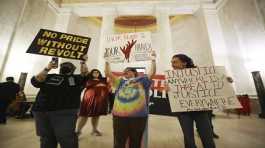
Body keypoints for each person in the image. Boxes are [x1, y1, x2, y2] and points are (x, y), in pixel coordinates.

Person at [31, 58, 88, 148]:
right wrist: (47, 68)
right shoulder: (49, 76)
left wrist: (83, 62)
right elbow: (36, 81)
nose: (66, 67)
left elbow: (84, 74)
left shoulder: (75, 78)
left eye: (69, 66)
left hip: (65, 113)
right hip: (42, 112)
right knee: (46, 138)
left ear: (73, 69)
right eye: (64, 65)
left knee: (66, 139)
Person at [105, 52, 156, 148]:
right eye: (125, 70)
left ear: (134, 73)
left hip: (138, 117)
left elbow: (152, 73)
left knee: (135, 141)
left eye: (128, 70)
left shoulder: (142, 80)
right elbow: (108, 73)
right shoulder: (120, 81)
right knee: (119, 141)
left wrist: (153, 60)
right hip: (119, 116)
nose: (125, 71)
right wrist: (107, 61)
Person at [170, 54, 216, 148]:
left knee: (207, 135)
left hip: (200, 110)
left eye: (175, 62)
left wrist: (225, 80)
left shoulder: (198, 73)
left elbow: (212, 82)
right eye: (171, 62)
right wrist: (168, 90)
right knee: (188, 137)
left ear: (184, 63)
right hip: (183, 112)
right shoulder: (172, 77)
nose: (172, 64)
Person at [76, 69, 109, 136]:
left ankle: (94, 130)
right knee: (84, 116)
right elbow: (85, 71)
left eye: (97, 72)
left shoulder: (103, 80)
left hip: (99, 101)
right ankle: (78, 131)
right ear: (91, 73)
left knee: (96, 116)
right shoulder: (88, 79)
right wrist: (84, 63)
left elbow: (108, 74)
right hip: (89, 100)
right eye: (94, 72)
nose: (96, 73)